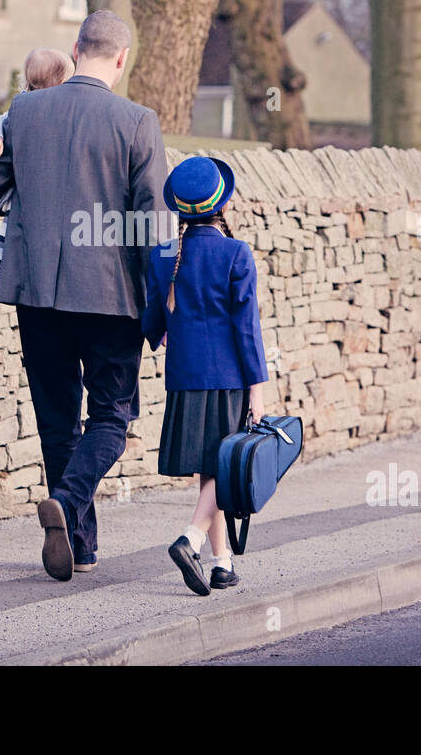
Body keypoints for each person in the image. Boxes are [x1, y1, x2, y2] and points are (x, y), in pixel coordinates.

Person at [0, 10, 168, 581]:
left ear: (77, 48)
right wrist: (159, 305)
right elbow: (153, 224)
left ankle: (80, 546)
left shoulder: (25, 109)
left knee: (58, 420)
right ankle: (70, 500)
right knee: (111, 417)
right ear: (122, 59)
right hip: (111, 297)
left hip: (36, 293)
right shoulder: (137, 122)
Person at [142, 156, 268, 596]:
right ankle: (191, 538)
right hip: (228, 379)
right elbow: (246, 327)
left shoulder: (165, 255)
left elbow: (152, 319)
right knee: (222, 466)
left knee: (211, 471)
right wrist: (257, 386)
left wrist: (163, 335)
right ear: (224, 206)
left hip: (183, 378)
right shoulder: (236, 253)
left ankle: (222, 564)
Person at [0, 48, 75, 302]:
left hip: (36, 182)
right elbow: (1, 120)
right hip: (23, 184)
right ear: (61, 83)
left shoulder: (55, 110)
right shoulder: (22, 107)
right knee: (10, 226)